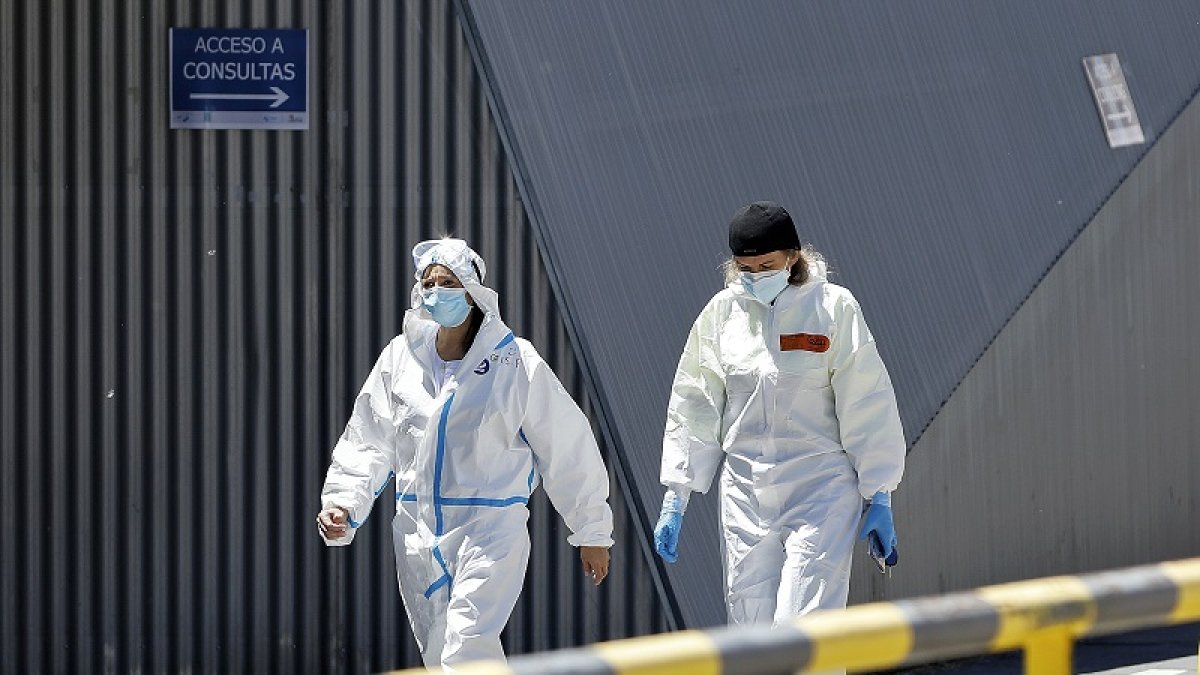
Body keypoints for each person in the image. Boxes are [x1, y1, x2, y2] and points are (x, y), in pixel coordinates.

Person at [316, 238, 614, 668]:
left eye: (448, 282)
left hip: (490, 528)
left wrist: (592, 531)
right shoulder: (399, 359)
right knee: (439, 658)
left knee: (466, 647)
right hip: (416, 532)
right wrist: (343, 503)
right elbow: (370, 438)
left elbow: (566, 445)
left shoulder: (515, 362)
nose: (436, 290)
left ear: (473, 293)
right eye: (429, 281)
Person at [653, 201, 905, 625]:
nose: (754, 278)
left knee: (804, 625)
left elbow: (867, 398)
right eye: (744, 269)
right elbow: (694, 403)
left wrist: (879, 492)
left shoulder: (832, 308)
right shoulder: (722, 314)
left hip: (819, 486)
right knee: (749, 628)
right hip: (745, 490)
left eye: (766, 265)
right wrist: (675, 498)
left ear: (793, 257)